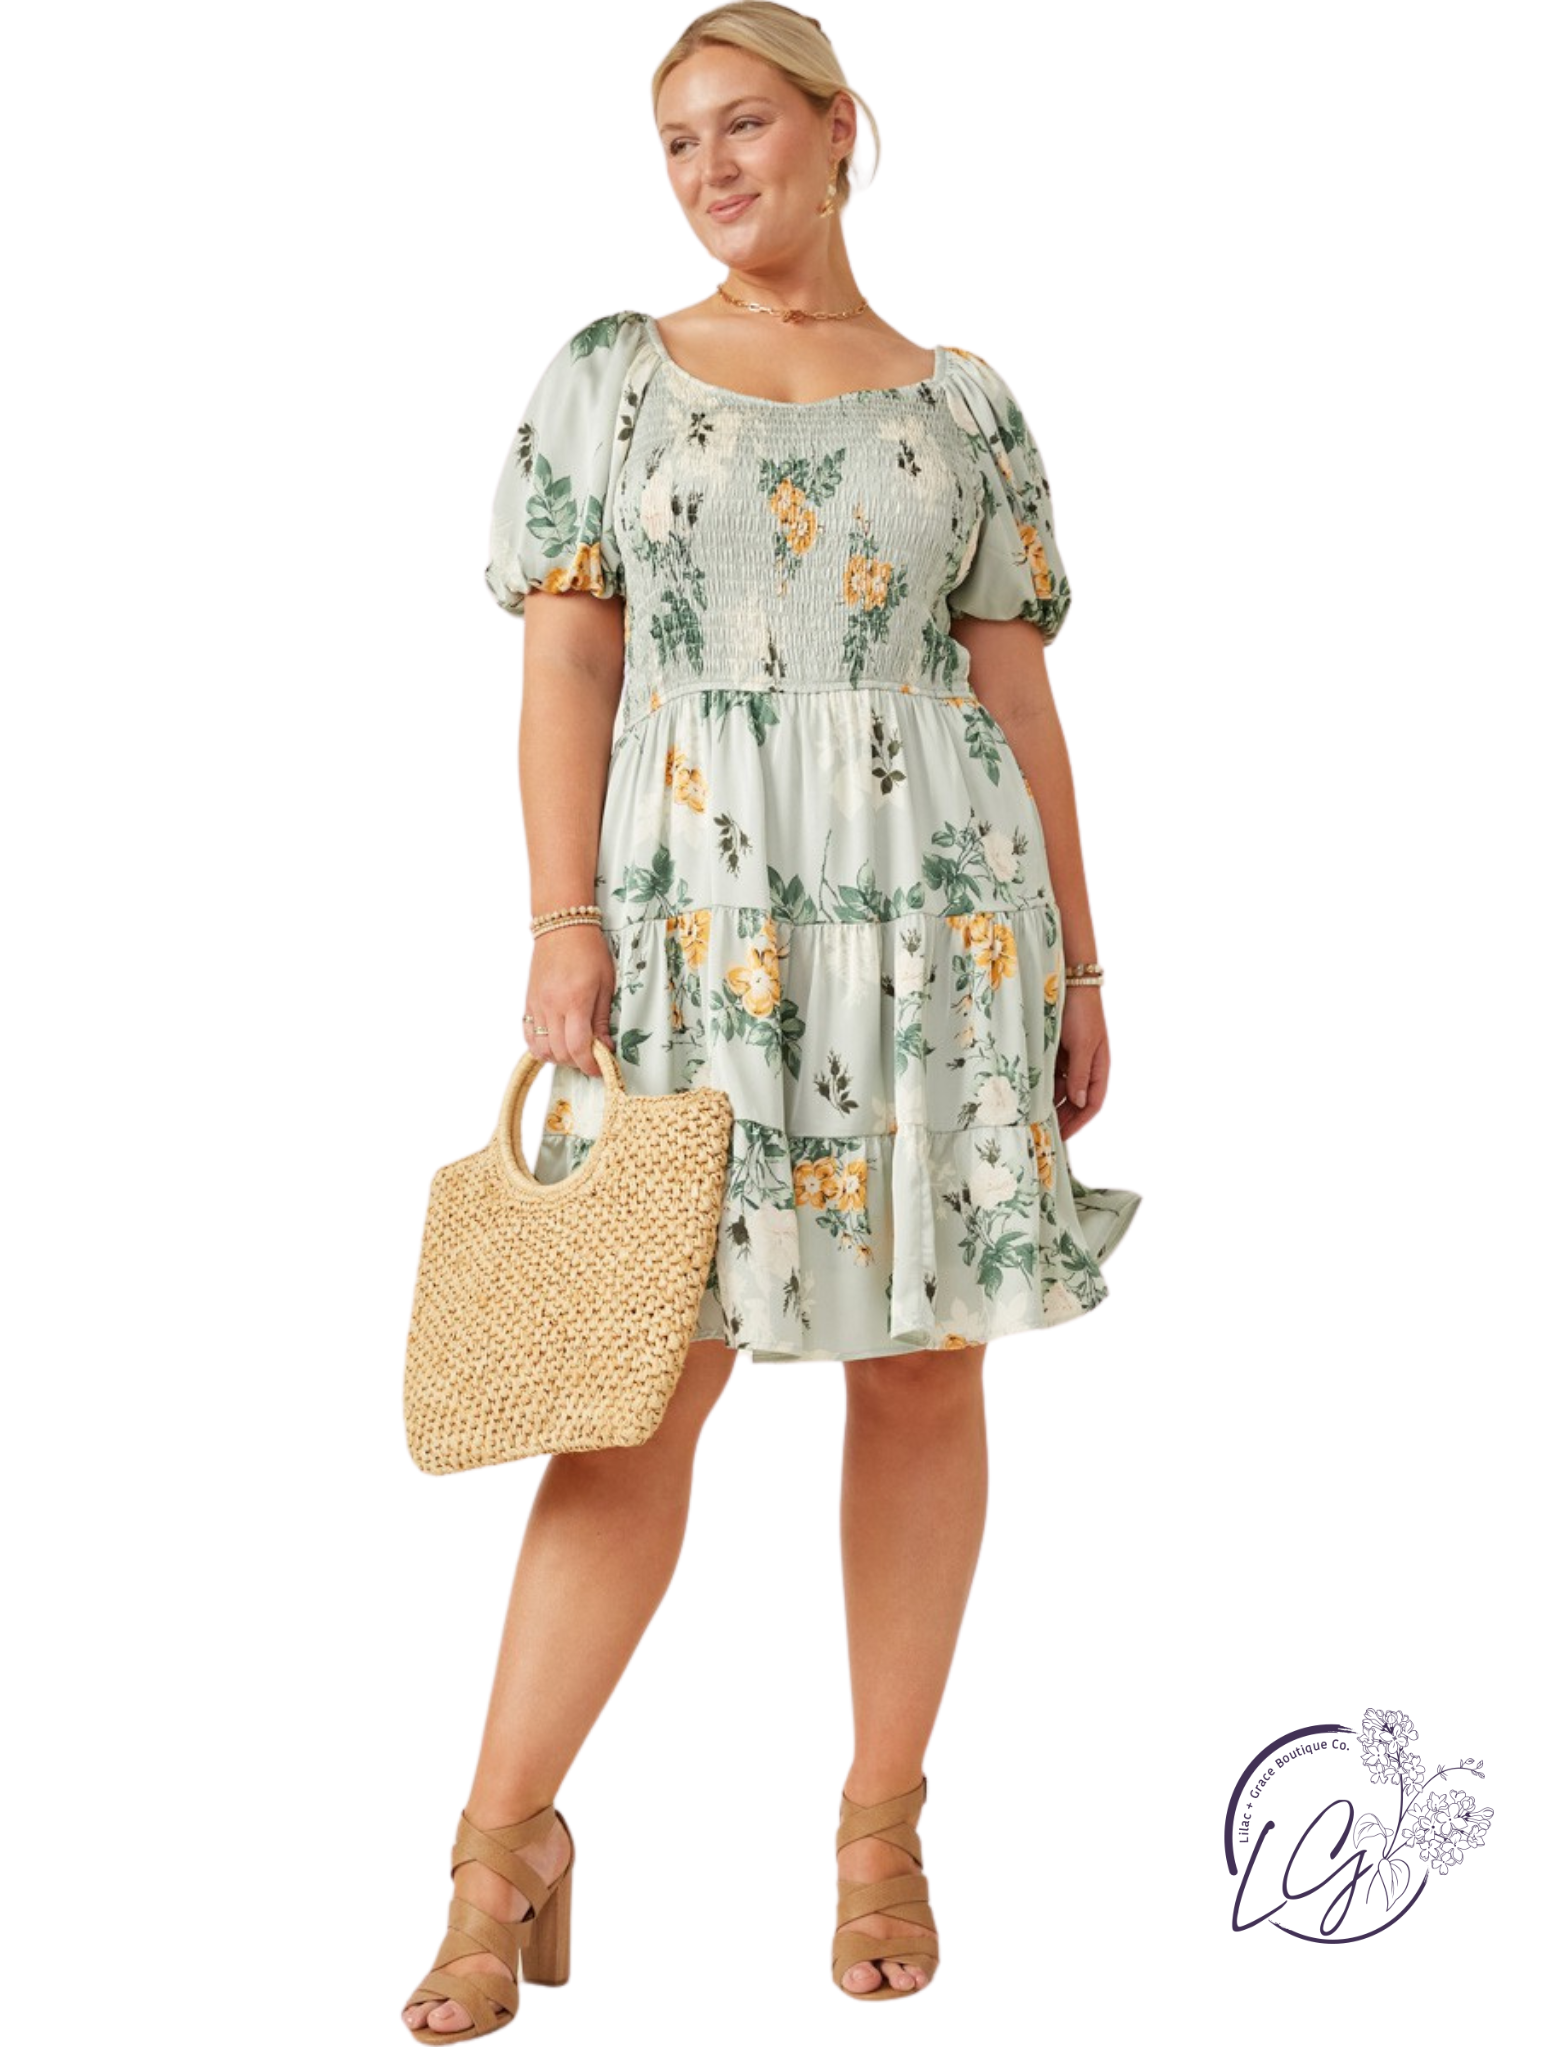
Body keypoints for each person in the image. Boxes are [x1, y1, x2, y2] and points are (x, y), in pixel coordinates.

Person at [403, 3, 1140, 2032]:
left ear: (837, 131)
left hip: (939, 934)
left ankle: (880, 1828)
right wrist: (562, 922)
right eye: (675, 142)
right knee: (638, 1386)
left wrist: (1081, 965)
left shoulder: (962, 404)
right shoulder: (614, 378)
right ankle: (499, 1844)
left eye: (742, 125)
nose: (709, 169)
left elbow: (1016, 695)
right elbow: (568, 665)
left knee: (921, 1372)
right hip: (692, 940)